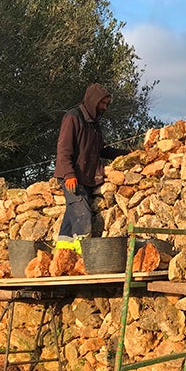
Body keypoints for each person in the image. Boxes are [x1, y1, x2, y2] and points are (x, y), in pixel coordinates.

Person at [54, 83, 127, 252]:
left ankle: (63, 252)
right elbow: (63, 148)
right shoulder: (73, 117)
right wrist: (69, 174)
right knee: (82, 215)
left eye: (107, 104)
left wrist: (127, 154)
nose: (104, 107)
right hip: (72, 177)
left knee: (71, 217)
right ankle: (84, 256)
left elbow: (102, 150)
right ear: (93, 100)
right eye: (102, 103)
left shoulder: (94, 125)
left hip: (84, 177)